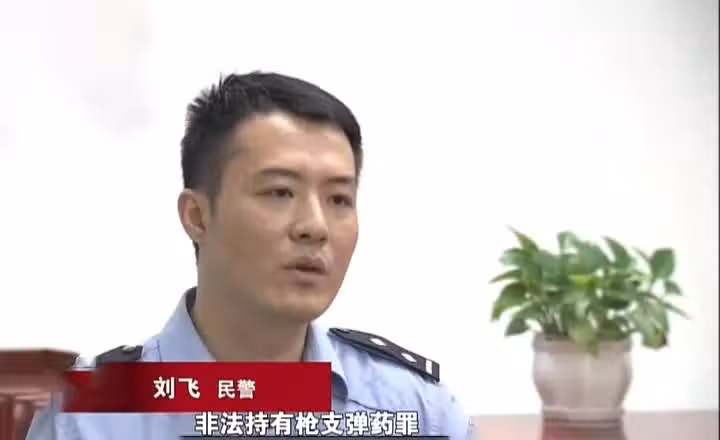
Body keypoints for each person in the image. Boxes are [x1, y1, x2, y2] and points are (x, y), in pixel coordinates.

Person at [23, 71, 473, 439]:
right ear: (197, 216)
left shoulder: (418, 412)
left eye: (339, 199)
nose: (315, 226)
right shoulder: (89, 419)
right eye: (279, 192)